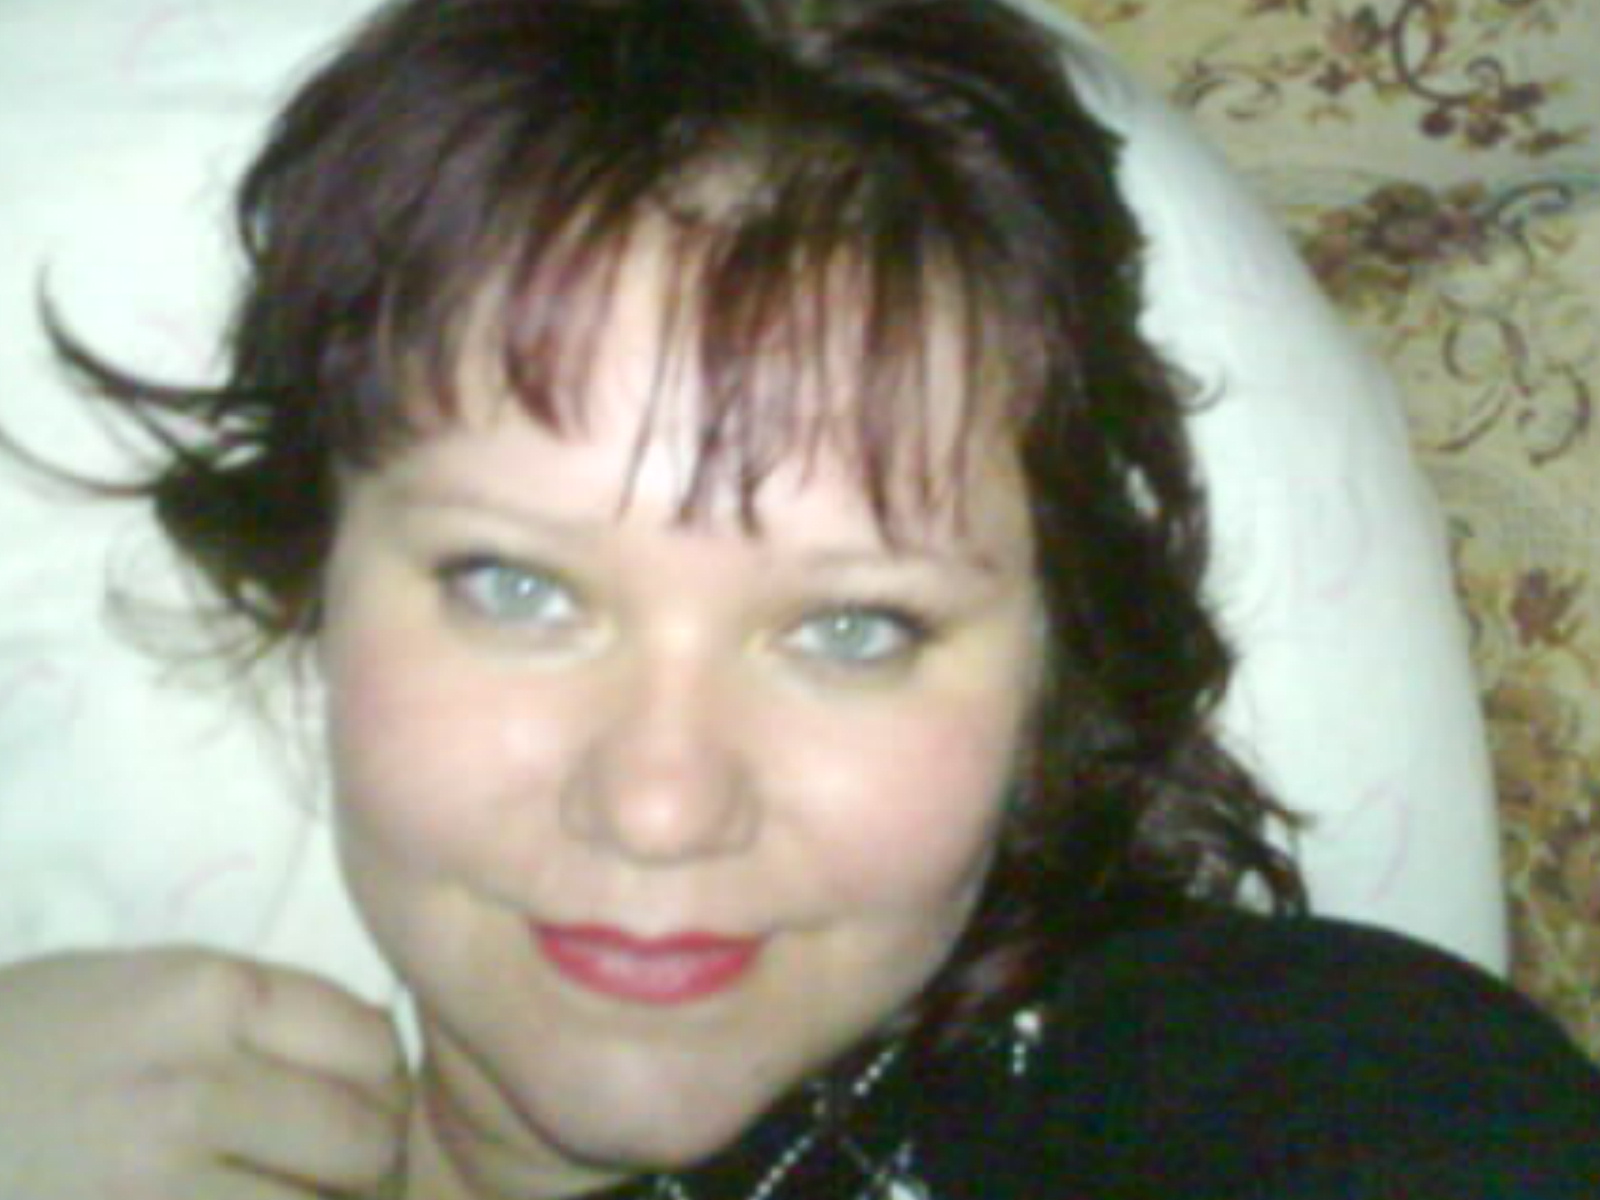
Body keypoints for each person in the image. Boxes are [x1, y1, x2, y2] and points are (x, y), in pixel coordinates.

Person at [2, 0, 1597, 1197]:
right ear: (314, 595)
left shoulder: (1257, 1075)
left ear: (1052, 673)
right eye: (517, 587)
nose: (658, 804)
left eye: (852, 629)